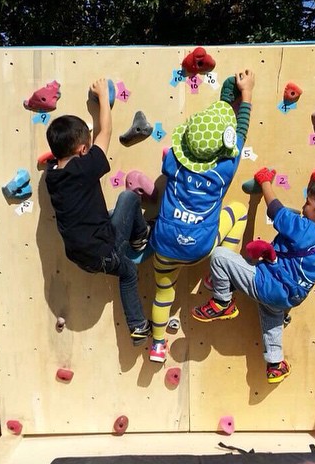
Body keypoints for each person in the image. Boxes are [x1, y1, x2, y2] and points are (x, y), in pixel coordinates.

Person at [192, 169, 315, 384]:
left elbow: (277, 212)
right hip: (290, 296)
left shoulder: (305, 229)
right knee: (271, 319)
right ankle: (275, 364)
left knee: (219, 257)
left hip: (270, 283)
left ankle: (222, 301)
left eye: (308, 203)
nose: (303, 206)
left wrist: (265, 184)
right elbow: (309, 225)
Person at [147, 70, 255, 363]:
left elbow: (191, 142)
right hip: (200, 248)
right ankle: (213, 275)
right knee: (239, 211)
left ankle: (157, 345)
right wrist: (245, 97)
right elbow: (241, 134)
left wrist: (225, 101)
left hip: (165, 245)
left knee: (162, 290)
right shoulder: (225, 170)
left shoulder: (173, 163)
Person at [45, 78, 151, 346]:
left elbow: (71, 151)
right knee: (128, 200)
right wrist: (103, 96)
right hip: (103, 252)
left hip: (80, 255)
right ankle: (137, 326)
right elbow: (106, 131)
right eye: (87, 147)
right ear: (83, 150)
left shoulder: (52, 176)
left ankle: (135, 239)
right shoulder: (84, 167)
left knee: (114, 212)